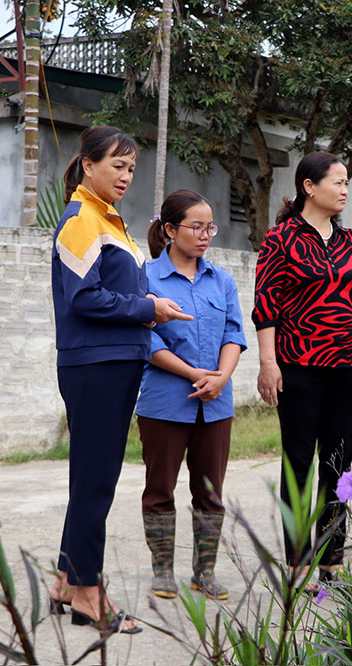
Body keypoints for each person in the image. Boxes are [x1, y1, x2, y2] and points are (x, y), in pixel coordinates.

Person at [49, 126, 191, 634]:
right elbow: (82, 298)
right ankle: (89, 595)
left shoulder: (107, 220)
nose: (127, 177)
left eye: (132, 169)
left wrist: (147, 313)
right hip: (95, 365)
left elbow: (109, 296)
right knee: (96, 483)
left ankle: (67, 579)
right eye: (117, 166)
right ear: (88, 165)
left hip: (111, 362)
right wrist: (147, 307)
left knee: (90, 478)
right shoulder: (81, 219)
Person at [253, 151, 352, 591]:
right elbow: (266, 306)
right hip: (297, 364)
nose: (344, 190)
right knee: (299, 462)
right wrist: (268, 364)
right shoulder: (280, 239)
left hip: (345, 365)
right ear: (309, 186)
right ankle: (298, 558)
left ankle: (331, 554)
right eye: (337, 182)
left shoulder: (350, 240)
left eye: (346, 183)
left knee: (338, 462)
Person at [136, 190, 246, 601]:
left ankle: (206, 571)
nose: (204, 235)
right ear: (169, 230)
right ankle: (162, 570)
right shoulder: (146, 278)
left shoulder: (222, 280)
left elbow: (234, 333)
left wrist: (221, 377)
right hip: (165, 401)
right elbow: (145, 340)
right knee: (160, 487)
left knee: (210, 492)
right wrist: (193, 373)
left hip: (216, 404)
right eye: (195, 226)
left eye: (209, 227)